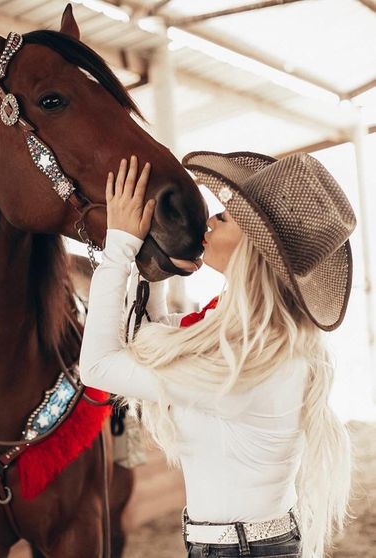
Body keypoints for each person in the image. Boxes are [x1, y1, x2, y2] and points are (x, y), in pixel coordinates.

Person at [79, 152, 356, 558]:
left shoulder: (244, 363)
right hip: (251, 545)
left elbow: (99, 365)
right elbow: (154, 340)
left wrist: (119, 248)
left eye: (224, 217)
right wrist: (157, 269)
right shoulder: (258, 339)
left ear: (253, 248)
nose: (209, 220)